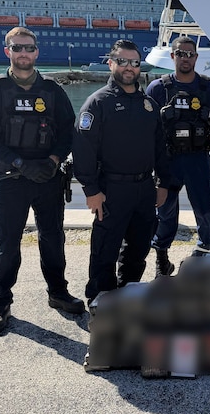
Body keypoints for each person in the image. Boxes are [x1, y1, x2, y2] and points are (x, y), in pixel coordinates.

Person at [0, 26, 84, 335]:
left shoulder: (52, 90)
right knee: (7, 243)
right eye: (17, 47)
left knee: (53, 238)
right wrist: (21, 163)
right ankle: (0, 302)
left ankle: (58, 292)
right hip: (11, 180)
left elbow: (67, 132)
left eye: (29, 48)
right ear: (7, 51)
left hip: (48, 178)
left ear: (36, 52)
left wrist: (52, 161)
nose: (23, 53)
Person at [73, 40, 170, 305]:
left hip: (144, 189)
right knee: (105, 250)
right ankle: (100, 302)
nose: (129, 67)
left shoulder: (148, 104)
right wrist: (91, 191)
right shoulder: (98, 104)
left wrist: (162, 183)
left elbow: (159, 147)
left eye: (135, 63)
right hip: (111, 190)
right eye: (123, 61)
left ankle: (128, 296)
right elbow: (83, 150)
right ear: (111, 63)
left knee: (138, 250)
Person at [146, 35, 210, 275]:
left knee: (205, 209)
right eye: (181, 53)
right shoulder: (158, 89)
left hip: (198, 158)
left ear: (196, 58)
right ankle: (161, 259)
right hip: (168, 161)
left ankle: (207, 253)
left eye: (190, 54)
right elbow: (146, 129)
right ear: (172, 56)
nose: (186, 58)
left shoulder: (209, 88)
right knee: (165, 213)